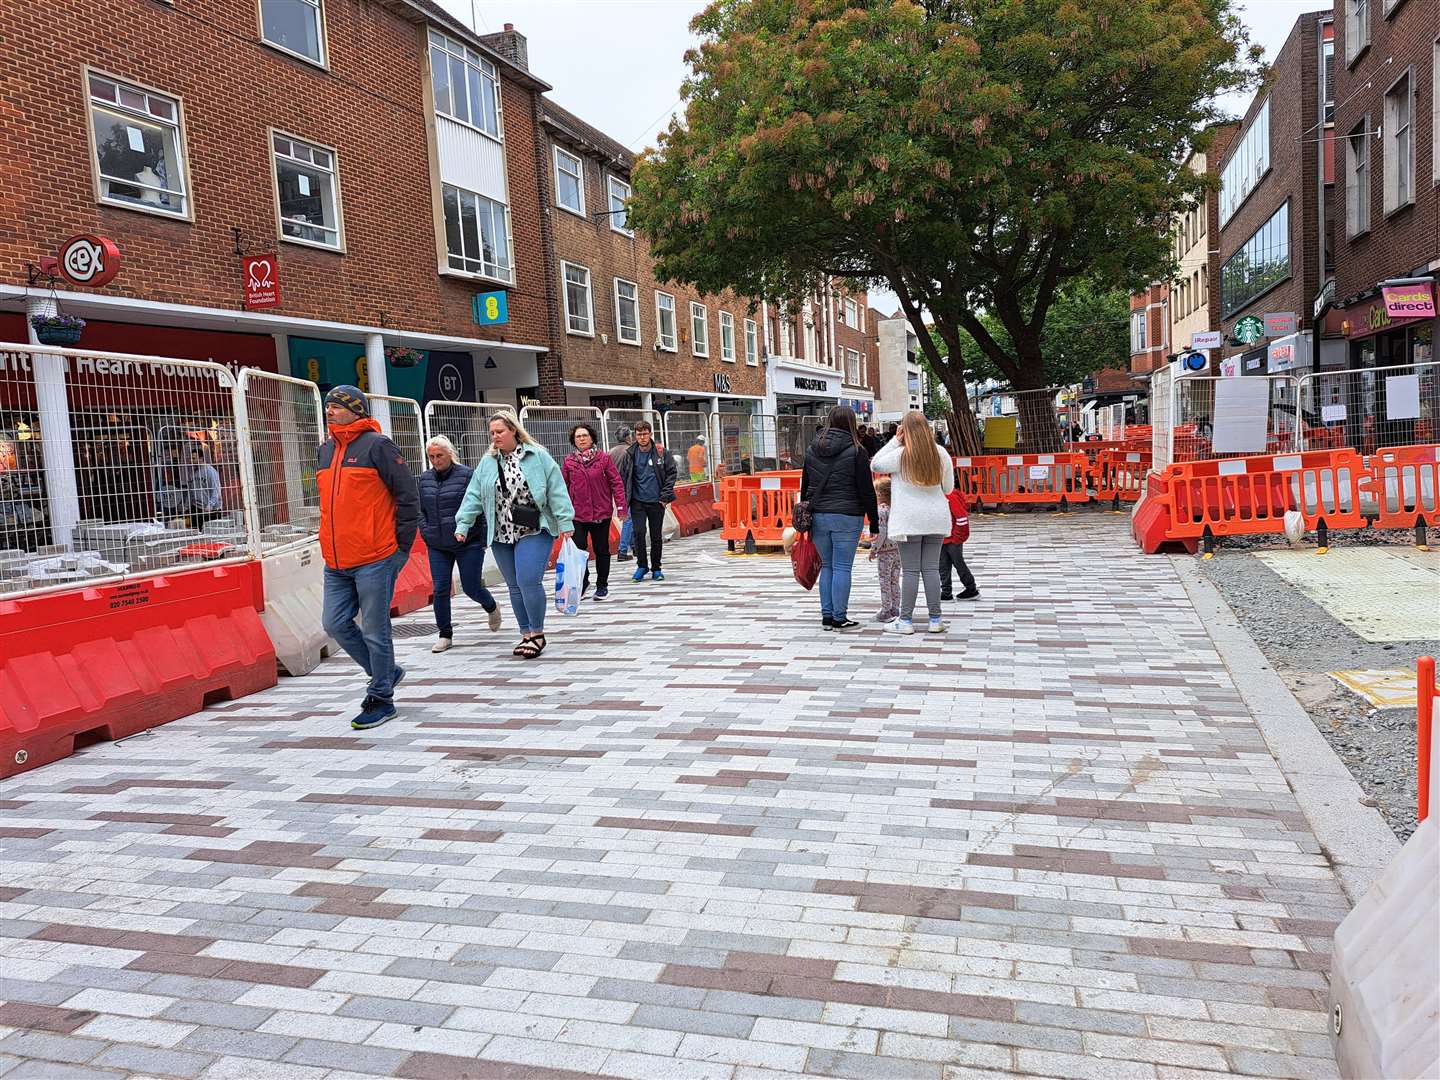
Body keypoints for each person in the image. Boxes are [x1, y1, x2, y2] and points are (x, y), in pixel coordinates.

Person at [317, 385, 419, 730]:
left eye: (336, 406)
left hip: (376, 556)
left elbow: (408, 497)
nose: (329, 411)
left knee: (376, 631)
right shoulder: (325, 450)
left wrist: (401, 549)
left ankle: (381, 698)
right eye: (328, 406)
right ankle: (386, 673)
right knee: (334, 623)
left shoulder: (378, 446)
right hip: (335, 560)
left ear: (356, 410)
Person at [454, 411, 574, 659]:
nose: (495, 436)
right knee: (514, 585)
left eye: (500, 431)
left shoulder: (536, 456)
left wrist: (564, 520)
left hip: (534, 527)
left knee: (528, 579)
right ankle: (526, 633)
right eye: (492, 433)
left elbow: (556, 489)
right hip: (501, 533)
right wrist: (463, 524)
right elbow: (474, 495)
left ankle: (538, 633)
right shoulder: (488, 462)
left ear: (514, 432)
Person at [870, 409, 955, 635]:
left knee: (910, 571)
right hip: (936, 517)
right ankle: (935, 619)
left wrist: (894, 441)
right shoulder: (941, 454)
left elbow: (875, 465)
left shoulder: (901, 455)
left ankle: (905, 620)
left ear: (903, 431)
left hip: (909, 519)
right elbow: (948, 488)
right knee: (931, 569)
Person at [799, 404, 879, 631]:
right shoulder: (857, 451)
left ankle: (827, 616)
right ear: (852, 423)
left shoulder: (811, 449)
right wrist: (874, 521)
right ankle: (839, 617)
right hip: (847, 515)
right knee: (842, 567)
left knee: (827, 566)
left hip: (819, 515)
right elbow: (866, 490)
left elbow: (805, 486)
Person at [419, 435, 501, 654]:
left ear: (450, 454)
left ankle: (491, 606)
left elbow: (481, 506)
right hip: (437, 544)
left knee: (471, 586)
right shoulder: (424, 478)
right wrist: (425, 532)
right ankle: (445, 634)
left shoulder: (467, 475)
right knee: (440, 588)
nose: (436, 460)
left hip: (468, 542)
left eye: (440, 456)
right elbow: (420, 510)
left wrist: (483, 539)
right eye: (432, 456)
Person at [562, 422, 627, 601]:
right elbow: (563, 488)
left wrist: (621, 507)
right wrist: (561, 512)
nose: (581, 439)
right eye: (578, 437)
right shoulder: (569, 461)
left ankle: (602, 586)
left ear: (592, 438)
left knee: (601, 549)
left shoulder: (604, 458)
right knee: (579, 549)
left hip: (601, 512)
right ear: (573, 441)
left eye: (584, 435)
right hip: (577, 513)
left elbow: (616, 483)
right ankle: (583, 582)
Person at [618, 420, 676, 581]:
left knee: (656, 535)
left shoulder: (661, 452)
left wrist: (665, 497)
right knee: (638, 533)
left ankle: (656, 568)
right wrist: (623, 501)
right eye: (639, 434)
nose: (642, 437)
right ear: (635, 436)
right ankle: (641, 566)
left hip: (657, 501)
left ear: (650, 434)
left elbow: (671, 473)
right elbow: (622, 478)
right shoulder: (629, 454)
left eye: (645, 434)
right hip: (637, 502)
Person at [868, 476, 900, 623]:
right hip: (898, 550)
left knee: (884, 581)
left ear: (880, 494)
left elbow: (881, 533)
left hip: (885, 551)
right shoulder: (896, 509)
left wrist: (874, 548)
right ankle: (896, 608)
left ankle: (886, 611)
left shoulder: (881, 511)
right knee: (895, 580)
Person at [939, 486, 979, 601]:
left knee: (957, 564)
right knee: (943, 565)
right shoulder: (945, 495)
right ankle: (946, 591)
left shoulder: (950, 496)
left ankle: (971, 588)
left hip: (951, 537)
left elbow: (961, 518)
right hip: (944, 536)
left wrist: (958, 537)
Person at [609, 426, 635, 561]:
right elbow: (631, 473)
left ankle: (634, 546)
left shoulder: (611, 452)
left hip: (615, 490)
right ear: (627, 437)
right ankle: (623, 550)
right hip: (627, 489)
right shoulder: (629, 451)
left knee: (628, 518)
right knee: (628, 519)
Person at [188, 445, 222, 526]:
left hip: (210, 509)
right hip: (197, 508)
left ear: (201, 458)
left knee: (211, 533)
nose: (191, 461)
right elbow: (192, 491)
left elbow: (216, 490)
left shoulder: (210, 471)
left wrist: (210, 505)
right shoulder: (193, 472)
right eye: (191, 458)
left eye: (194, 458)